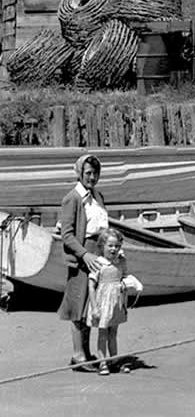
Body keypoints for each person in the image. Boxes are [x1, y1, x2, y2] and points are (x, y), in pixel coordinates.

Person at [53, 153, 108, 370]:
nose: (92, 178)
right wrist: (85, 254)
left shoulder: (98, 196)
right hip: (82, 257)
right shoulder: (72, 198)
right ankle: (78, 356)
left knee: (91, 307)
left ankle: (85, 352)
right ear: (79, 173)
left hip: (98, 255)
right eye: (88, 173)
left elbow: (103, 227)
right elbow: (66, 235)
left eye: (95, 174)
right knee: (78, 305)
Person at [87, 229, 133, 374]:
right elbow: (91, 286)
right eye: (110, 246)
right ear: (102, 246)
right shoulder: (99, 263)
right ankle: (102, 362)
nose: (114, 249)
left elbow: (124, 277)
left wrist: (129, 285)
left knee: (113, 332)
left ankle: (114, 360)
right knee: (102, 333)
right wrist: (94, 308)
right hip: (102, 303)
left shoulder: (120, 262)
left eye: (117, 246)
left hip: (116, 302)